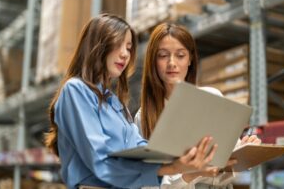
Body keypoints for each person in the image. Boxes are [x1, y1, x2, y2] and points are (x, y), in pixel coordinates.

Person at [44, 14, 222, 189]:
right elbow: (100, 161)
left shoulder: (116, 105)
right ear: (96, 46)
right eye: (117, 44)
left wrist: (188, 155)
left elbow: (142, 149)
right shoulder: (76, 90)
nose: (125, 54)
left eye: (128, 48)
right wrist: (172, 168)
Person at [135, 23, 261, 188]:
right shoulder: (144, 117)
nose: (172, 63)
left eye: (180, 55)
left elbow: (228, 170)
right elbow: (147, 184)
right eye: (163, 55)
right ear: (153, 61)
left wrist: (244, 152)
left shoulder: (212, 97)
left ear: (190, 60)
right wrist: (192, 174)